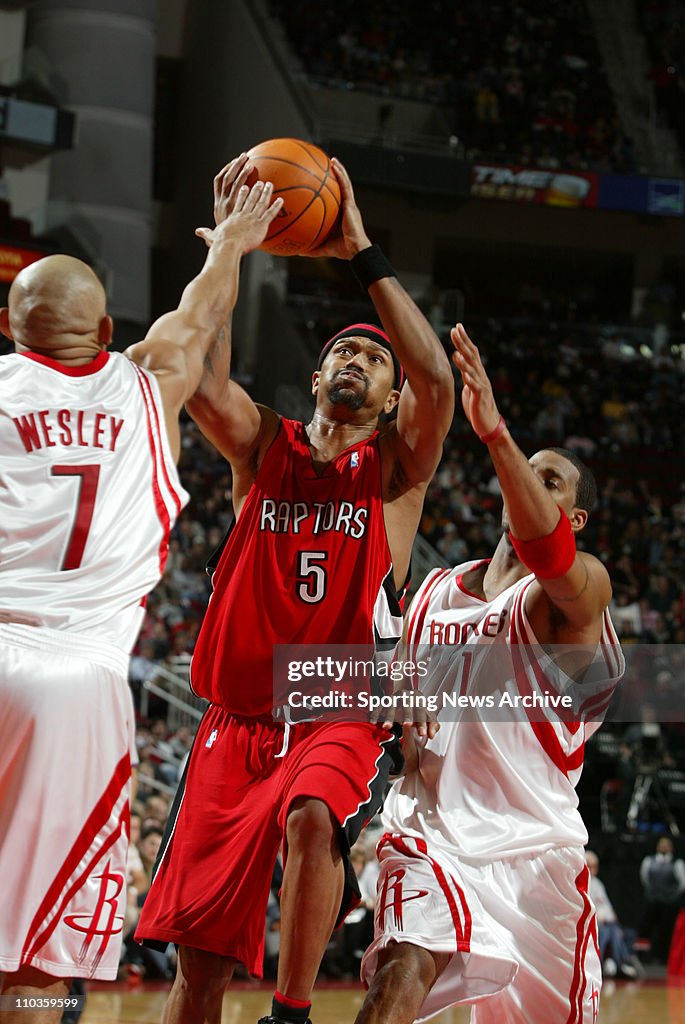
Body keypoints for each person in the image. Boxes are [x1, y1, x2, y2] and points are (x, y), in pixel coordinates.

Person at [135, 154, 455, 1024]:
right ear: (315, 381)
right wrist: (231, 251)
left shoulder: (392, 473)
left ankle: (292, 1010)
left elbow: (439, 380)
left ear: (388, 401)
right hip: (235, 718)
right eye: (341, 351)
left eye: (371, 358)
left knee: (314, 816)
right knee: (197, 970)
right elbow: (198, 377)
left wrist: (358, 246)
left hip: (337, 703)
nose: (356, 357)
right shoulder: (261, 447)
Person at [0, 174, 283, 1022]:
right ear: (110, 333)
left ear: (8, 332)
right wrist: (230, 240)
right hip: (74, 690)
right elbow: (198, 317)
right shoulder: (144, 385)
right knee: (38, 948)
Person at [356, 323, 625, 1024]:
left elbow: (551, 556)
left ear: (577, 513)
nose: (528, 485)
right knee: (397, 973)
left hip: (533, 853)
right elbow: (386, 690)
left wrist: (496, 434)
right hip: (430, 833)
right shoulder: (435, 589)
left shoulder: (578, 592)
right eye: (523, 472)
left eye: (550, 481)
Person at [585, 850, 638, 978]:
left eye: (595, 866)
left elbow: (607, 906)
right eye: (589, 866)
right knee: (608, 932)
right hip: (593, 923)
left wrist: (612, 918)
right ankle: (617, 963)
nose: (593, 869)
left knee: (625, 932)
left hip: (608, 922)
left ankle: (616, 962)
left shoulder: (598, 883)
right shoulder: (583, 884)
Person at [640, 836, 685, 963]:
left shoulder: (677, 863)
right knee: (646, 929)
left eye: (667, 845)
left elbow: (682, 884)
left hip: (669, 903)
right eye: (662, 844)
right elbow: (645, 879)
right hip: (652, 900)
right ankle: (644, 958)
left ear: (671, 847)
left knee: (667, 930)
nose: (664, 847)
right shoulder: (649, 861)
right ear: (657, 846)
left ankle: (665, 957)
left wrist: (672, 896)